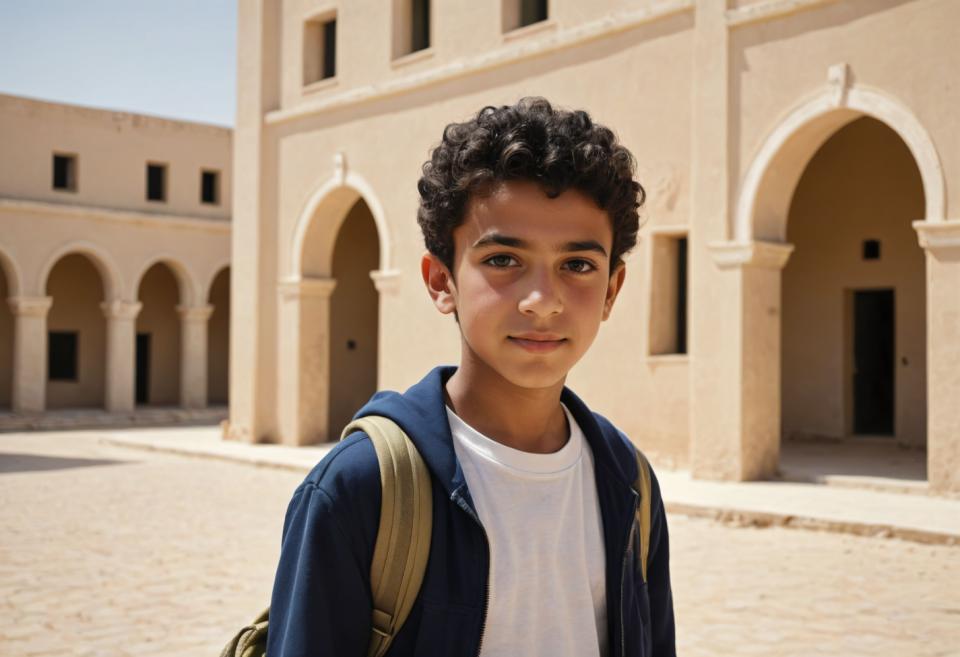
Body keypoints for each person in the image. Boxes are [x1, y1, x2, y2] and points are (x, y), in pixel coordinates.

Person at [265, 96, 676, 657]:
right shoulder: (359, 490)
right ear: (441, 281)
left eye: (577, 265)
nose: (542, 301)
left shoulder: (630, 483)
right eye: (504, 259)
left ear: (611, 290)